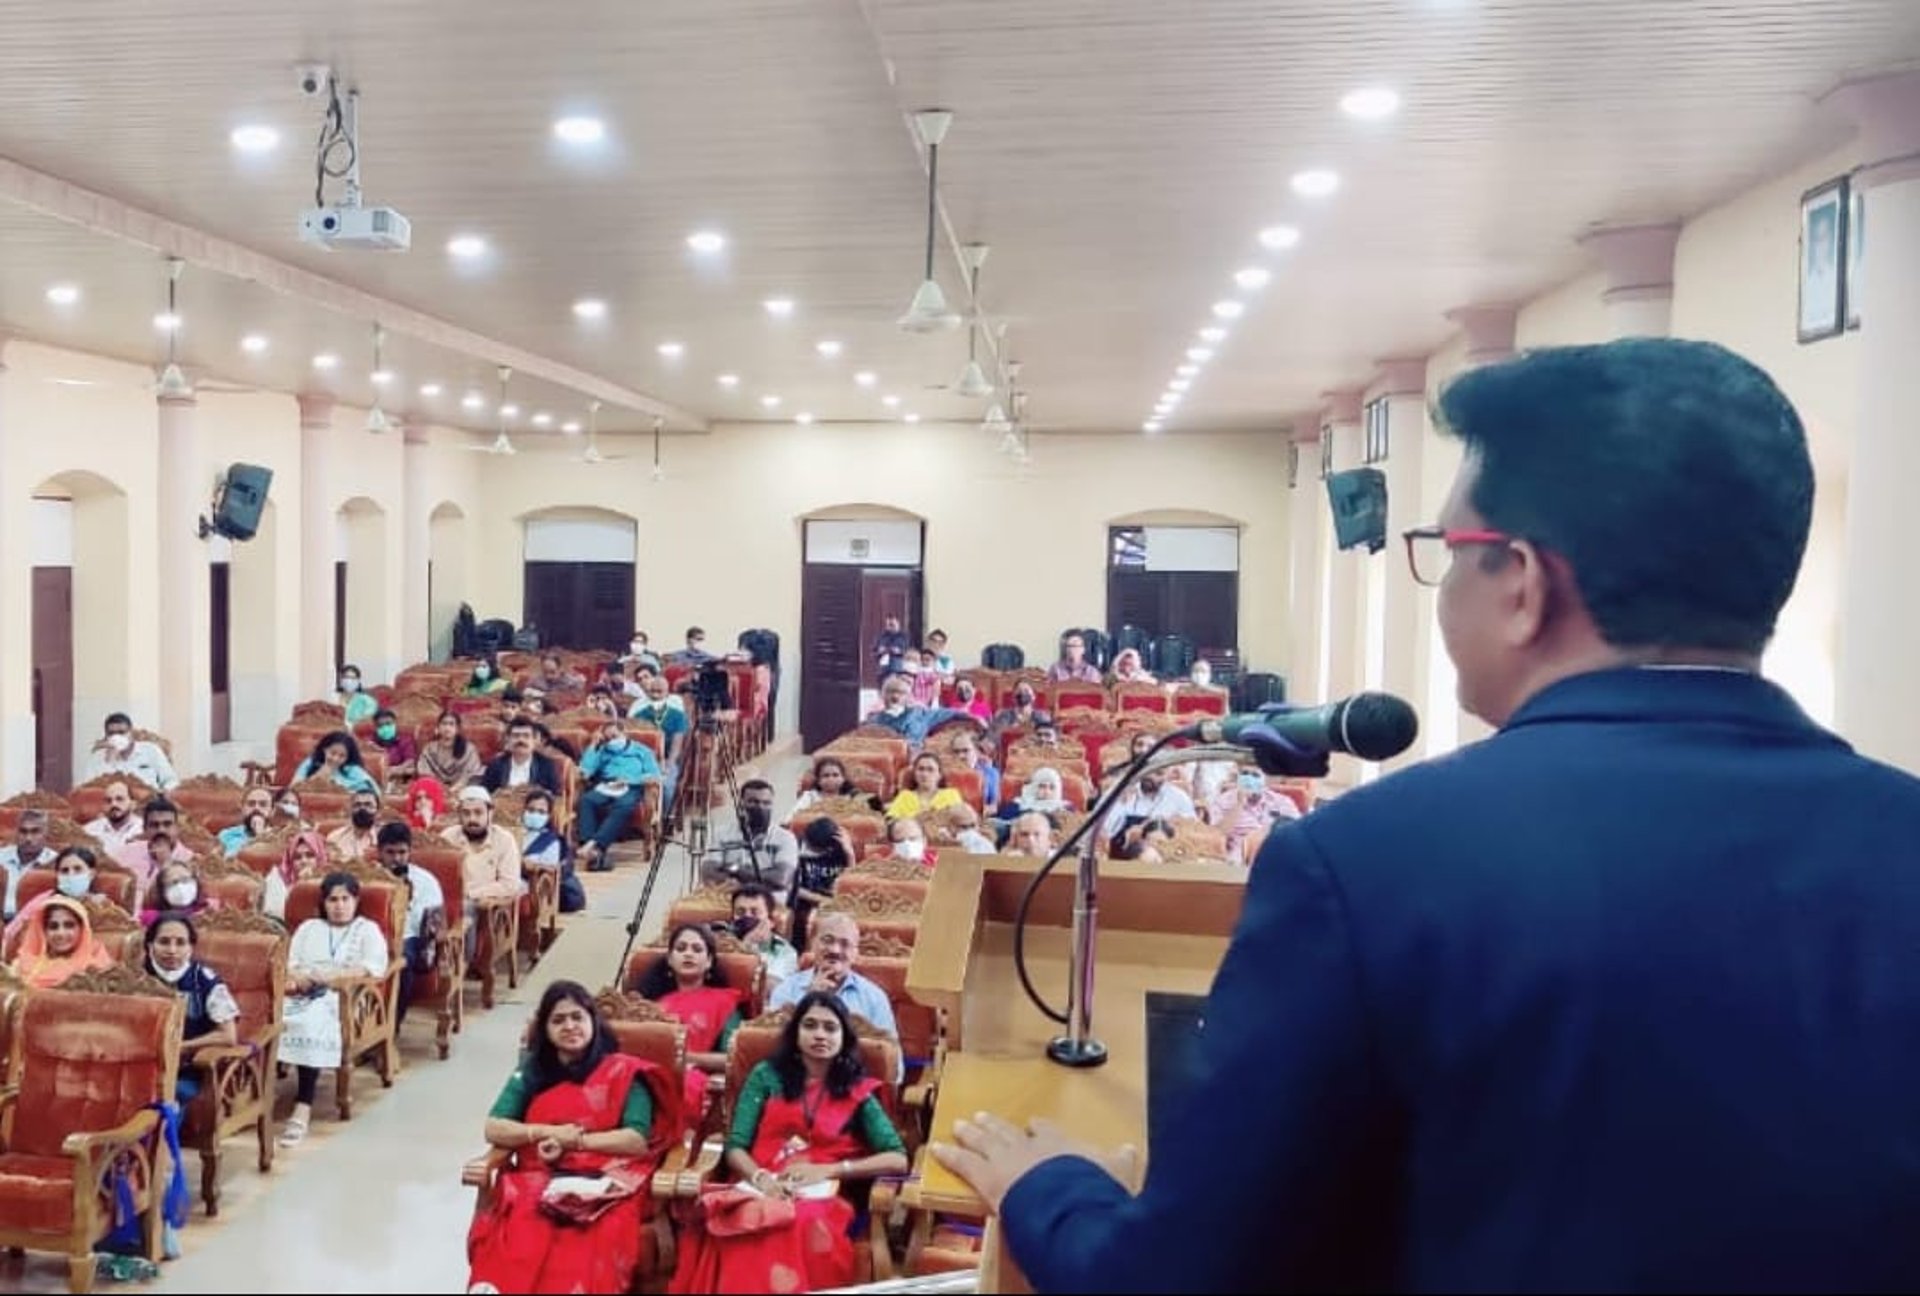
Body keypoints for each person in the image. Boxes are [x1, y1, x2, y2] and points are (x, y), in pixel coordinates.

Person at [932, 339, 1920, 1292]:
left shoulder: (1366, 867)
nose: (1441, 582)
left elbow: (1186, 1276)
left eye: (1448, 549)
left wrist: (1048, 1188)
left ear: (1524, 586)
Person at [669, 992, 908, 1294]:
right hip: (762, 1181)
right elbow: (736, 1146)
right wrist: (762, 1178)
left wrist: (832, 1170)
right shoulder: (766, 1076)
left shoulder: (856, 1089)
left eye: (830, 1028)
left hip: (823, 1196)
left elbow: (898, 1158)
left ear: (843, 1037)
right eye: (810, 1025)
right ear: (795, 1033)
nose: (819, 1035)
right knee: (750, 1218)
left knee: (798, 1220)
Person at [466, 981, 680, 1296]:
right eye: (558, 1020)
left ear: (592, 1020)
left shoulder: (624, 1071)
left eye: (577, 1017)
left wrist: (575, 1143)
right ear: (546, 1029)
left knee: (591, 1239)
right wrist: (545, 1132)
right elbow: (494, 1127)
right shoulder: (532, 1071)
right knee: (522, 1229)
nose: (569, 1026)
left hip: (608, 1183)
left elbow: (635, 1139)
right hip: (536, 1177)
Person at [279, 871, 389, 1147]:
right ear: (323, 903)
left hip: (344, 997)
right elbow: (290, 964)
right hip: (302, 990)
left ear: (355, 900)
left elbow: (371, 967)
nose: (339, 906)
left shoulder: (367, 929)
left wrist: (329, 979)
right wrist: (301, 978)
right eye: (332, 900)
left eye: (345, 899)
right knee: (271, 1019)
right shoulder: (309, 928)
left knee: (311, 1022)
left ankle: (303, 1105)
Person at [632, 922, 745, 1117]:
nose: (688, 954)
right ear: (669, 959)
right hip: (647, 1072)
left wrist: (687, 1058)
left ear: (709, 961)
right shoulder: (647, 1004)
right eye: (681, 948)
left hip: (691, 1077)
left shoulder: (724, 1003)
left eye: (697, 949)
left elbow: (734, 1058)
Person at [143, 912, 240, 1102]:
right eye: (164, 942)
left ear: (191, 948)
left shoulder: (205, 980)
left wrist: (181, 1047)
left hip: (189, 1066)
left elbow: (228, 1036)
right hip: (141, 1065)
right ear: (149, 945)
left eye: (180, 943)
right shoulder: (135, 978)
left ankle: (166, 1132)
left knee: (172, 1095)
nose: (172, 950)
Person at [766, 912, 899, 1049]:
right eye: (827, 940)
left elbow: (891, 1058)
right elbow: (773, 1046)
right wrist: (809, 999)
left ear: (855, 953)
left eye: (845, 944)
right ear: (813, 944)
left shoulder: (874, 998)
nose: (835, 950)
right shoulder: (786, 990)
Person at [375, 821, 445, 1023]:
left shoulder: (425, 880)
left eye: (402, 852)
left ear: (409, 851)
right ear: (379, 852)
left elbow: (433, 924)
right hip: (374, 936)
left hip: (410, 938)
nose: (397, 858)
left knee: (401, 961)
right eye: (390, 852)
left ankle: (391, 1026)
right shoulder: (369, 877)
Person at [574, 717, 663, 872]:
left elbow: (654, 776)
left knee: (623, 806)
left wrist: (631, 780)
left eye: (614, 736)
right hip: (606, 785)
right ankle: (592, 849)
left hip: (632, 785)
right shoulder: (602, 750)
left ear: (624, 733)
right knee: (587, 800)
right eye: (607, 738)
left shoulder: (642, 751)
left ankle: (593, 844)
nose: (611, 741)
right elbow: (586, 772)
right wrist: (594, 745)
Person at [698, 779, 798, 892]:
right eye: (753, 802)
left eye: (766, 803)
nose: (760, 807)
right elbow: (709, 873)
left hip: (769, 901)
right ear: (741, 804)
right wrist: (763, 876)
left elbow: (780, 879)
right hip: (727, 895)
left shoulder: (785, 838)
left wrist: (735, 869)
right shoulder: (722, 833)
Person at [9, 894, 114, 987]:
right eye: (53, 927)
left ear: (82, 929)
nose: (60, 933)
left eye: (69, 926)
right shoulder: (23, 964)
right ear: (43, 931)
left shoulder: (95, 967)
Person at [864, 671, 979, 752]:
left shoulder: (921, 714)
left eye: (900, 693)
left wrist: (974, 717)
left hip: (915, 758)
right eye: (891, 692)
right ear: (883, 696)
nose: (895, 696)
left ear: (908, 696)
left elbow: (950, 712)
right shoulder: (874, 719)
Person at [82, 712, 180, 790]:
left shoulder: (151, 750)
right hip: (113, 806)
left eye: (121, 732)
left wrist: (162, 795)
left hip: (149, 802)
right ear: (106, 736)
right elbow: (87, 788)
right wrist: (109, 762)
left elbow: (171, 780)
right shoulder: (97, 758)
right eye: (111, 733)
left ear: (131, 733)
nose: (116, 737)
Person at [729, 882, 799, 983]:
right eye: (740, 912)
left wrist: (749, 949)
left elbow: (769, 988)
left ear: (770, 919)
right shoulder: (723, 942)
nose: (747, 917)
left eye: (754, 912)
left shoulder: (785, 952)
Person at [481, 718, 564, 797]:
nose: (521, 740)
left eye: (526, 736)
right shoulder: (496, 765)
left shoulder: (546, 765)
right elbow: (484, 794)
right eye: (516, 736)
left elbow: (556, 796)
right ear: (508, 739)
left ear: (534, 740)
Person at [0, 810, 55, 920]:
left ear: (46, 834)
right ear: (16, 832)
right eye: (23, 832)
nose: (28, 838)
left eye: (35, 832)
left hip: (35, 922)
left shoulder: (54, 862)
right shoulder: (1, 856)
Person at [293, 730, 380, 794]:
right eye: (332, 753)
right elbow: (293, 788)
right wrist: (318, 777)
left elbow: (368, 794)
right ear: (325, 749)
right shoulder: (310, 763)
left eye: (342, 756)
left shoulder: (353, 771)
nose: (335, 759)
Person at [884, 752, 964, 821]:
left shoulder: (951, 794)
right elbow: (891, 821)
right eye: (921, 769)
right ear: (914, 773)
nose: (925, 774)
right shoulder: (905, 796)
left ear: (939, 775)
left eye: (930, 770)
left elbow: (961, 819)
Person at [138, 860, 219, 927]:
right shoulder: (151, 917)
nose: (181, 886)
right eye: (173, 883)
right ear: (162, 891)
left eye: (185, 880)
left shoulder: (211, 907)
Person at [84, 779, 146, 852]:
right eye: (108, 801)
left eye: (119, 799)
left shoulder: (143, 829)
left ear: (133, 804)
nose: (113, 804)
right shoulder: (90, 831)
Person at [326, 788, 383, 862]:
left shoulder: (385, 838)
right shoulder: (335, 837)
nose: (362, 809)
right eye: (357, 805)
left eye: (368, 805)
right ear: (350, 810)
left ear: (378, 811)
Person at [217, 786, 276, 857]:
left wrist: (260, 835)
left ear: (272, 811)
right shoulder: (226, 835)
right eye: (251, 804)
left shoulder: (279, 839)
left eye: (263, 804)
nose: (256, 808)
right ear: (242, 808)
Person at [367, 707, 418, 786]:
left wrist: (397, 769)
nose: (385, 728)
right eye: (380, 726)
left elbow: (410, 760)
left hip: (400, 777)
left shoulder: (405, 740)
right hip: (376, 780)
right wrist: (372, 748)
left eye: (388, 724)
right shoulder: (372, 742)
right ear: (376, 728)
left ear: (395, 723)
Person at [872, 613, 911, 681]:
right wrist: (880, 651)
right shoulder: (881, 637)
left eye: (892, 625)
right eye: (887, 625)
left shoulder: (904, 637)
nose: (889, 628)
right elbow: (873, 652)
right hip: (883, 670)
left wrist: (899, 651)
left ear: (898, 623)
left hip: (898, 669)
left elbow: (910, 653)